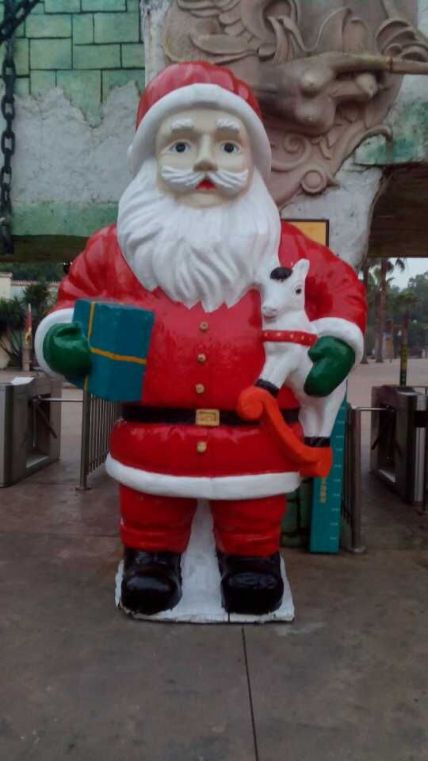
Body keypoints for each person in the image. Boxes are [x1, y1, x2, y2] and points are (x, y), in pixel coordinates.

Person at [35, 61, 366, 617]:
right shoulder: (116, 248)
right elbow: (72, 299)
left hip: (255, 435)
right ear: (152, 157)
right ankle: (151, 558)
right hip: (153, 432)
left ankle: (252, 560)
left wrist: (336, 341)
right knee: (151, 506)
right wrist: (61, 338)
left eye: (228, 147)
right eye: (183, 145)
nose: (207, 162)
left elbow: (340, 288)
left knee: (252, 512)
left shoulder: (283, 246)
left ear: (252, 160)